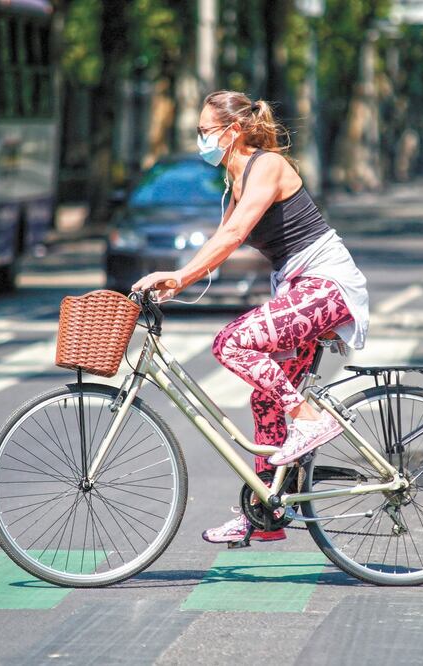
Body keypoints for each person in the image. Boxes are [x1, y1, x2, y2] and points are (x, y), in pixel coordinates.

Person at [132, 90, 369, 544]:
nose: (201, 140)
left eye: (205, 131)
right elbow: (224, 234)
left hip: (326, 286)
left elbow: (237, 233)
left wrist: (181, 277)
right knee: (265, 399)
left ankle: (309, 417)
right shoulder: (235, 181)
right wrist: (176, 277)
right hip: (299, 288)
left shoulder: (268, 166)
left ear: (232, 130)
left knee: (231, 343)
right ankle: (265, 514)